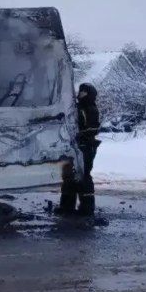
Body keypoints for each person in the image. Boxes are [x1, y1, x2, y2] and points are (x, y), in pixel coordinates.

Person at [59, 82, 101, 220]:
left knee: (84, 175)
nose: (80, 94)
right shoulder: (79, 107)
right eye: (80, 91)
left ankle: (87, 207)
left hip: (86, 147)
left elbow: (92, 129)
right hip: (76, 146)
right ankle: (67, 206)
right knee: (69, 176)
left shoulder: (90, 109)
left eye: (83, 92)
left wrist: (79, 134)